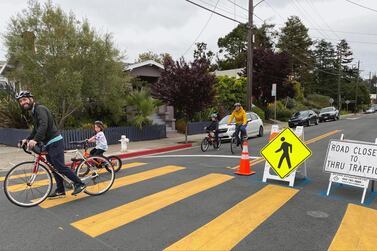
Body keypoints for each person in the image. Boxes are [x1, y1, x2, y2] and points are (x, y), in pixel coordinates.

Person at [16, 90, 86, 198]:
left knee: (59, 166)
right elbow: (36, 129)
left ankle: (80, 183)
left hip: (55, 141)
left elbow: (44, 125)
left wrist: (35, 140)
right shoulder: (34, 112)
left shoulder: (40, 109)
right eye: (20, 101)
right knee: (53, 168)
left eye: (24, 99)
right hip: (48, 143)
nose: (22, 102)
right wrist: (27, 139)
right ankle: (60, 190)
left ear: (31, 99)